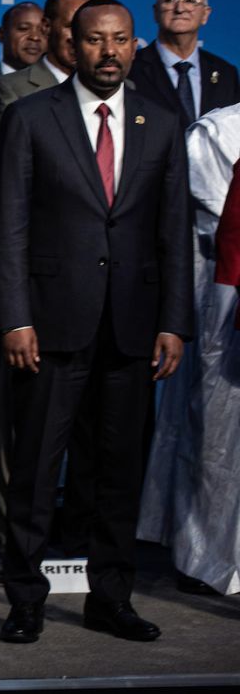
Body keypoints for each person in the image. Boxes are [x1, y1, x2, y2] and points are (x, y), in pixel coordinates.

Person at [0, 0, 191, 644]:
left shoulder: (161, 123)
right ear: (72, 46)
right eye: (97, 41)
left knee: (117, 473)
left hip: (132, 328)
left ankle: (112, 598)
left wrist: (174, 321)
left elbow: (172, 230)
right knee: (35, 472)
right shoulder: (29, 117)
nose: (110, 53)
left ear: (135, 45)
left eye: (122, 41)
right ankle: (24, 599)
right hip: (49, 327)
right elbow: (10, 226)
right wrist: (15, 317)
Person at [140, 101, 240, 595]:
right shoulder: (219, 131)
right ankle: (206, 557)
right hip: (221, 300)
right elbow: (216, 220)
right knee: (214, 435)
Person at [130, 0, 237, 125]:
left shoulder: (226, 74)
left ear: (205, 14)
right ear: (155, 12)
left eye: (191, 0)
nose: (180, 8)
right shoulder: (131, 68)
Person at [0, 0, 90, 115]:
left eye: (88, 28)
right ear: (47, 27)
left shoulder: (118, 88)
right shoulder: (12, 88)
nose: (79, 37)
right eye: (71, 27)